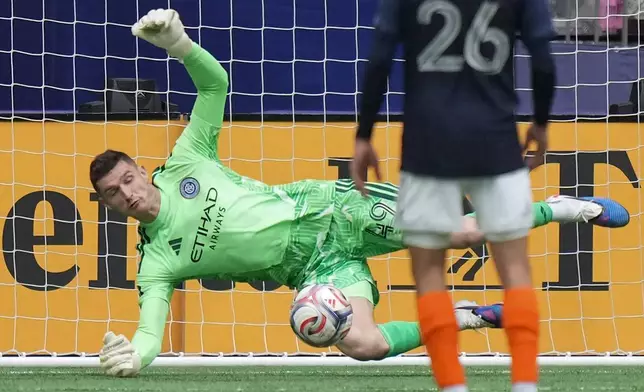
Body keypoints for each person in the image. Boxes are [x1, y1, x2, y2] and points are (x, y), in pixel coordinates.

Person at [95, 8, 631, 378]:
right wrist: (135, 358)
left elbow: (215, 86)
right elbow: (150, 334)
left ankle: (564, 207)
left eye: (127, 179)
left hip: (333, 211)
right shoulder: (157, 263)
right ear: (111, 208)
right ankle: (464, 315)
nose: (128, 194)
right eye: (115, 195)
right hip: (314, 271)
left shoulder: (187, 158)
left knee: (460, 232)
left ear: (142, 171)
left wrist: (180, 46)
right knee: (364, 346)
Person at [349, 1, 624, 391]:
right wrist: (542, 125)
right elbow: (544, 60)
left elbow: (379, 60)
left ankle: (452, 385)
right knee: (515, 272)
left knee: (429, 275)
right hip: (495, 142)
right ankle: (525, 384)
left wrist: (363, 135)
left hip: (427, 147)